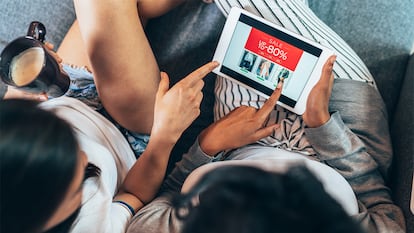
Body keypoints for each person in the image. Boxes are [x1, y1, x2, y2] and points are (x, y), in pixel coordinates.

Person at [126, 1, 406, 233]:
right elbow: (382, 208)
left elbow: (165, 198)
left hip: (239, 135)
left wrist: (209, 144)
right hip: (339, 130)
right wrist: (322, 125)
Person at [0, 0, 219, 233]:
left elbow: (12, 111)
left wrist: (23, 87)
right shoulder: (92, 226)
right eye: (78, 187)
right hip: (127, 132)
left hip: (65, 95)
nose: (85, 159)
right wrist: (165, 136)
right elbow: (133, 194)